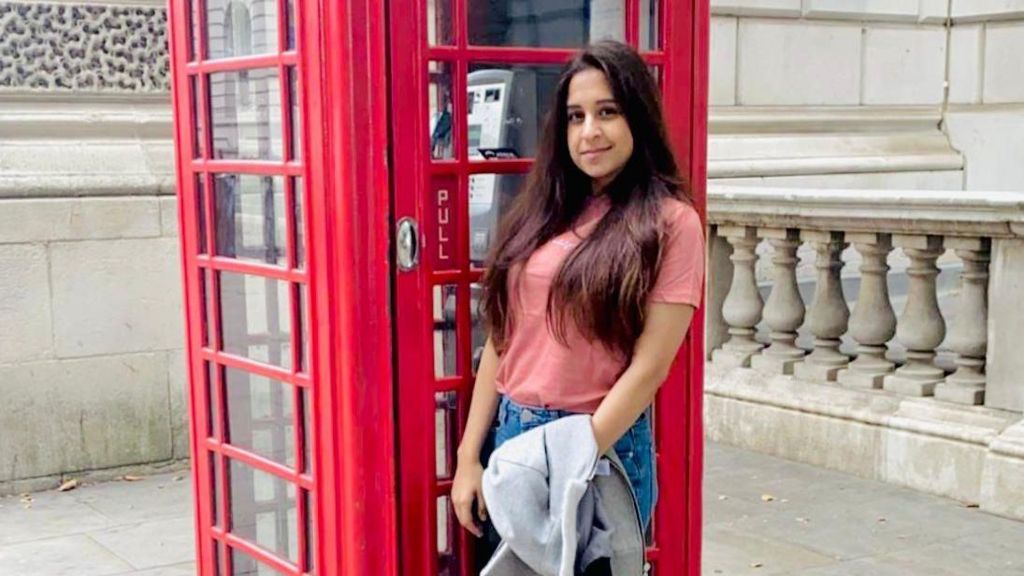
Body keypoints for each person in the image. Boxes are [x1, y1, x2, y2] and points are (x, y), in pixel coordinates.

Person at [452, 39, 705, 566]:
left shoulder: (670, 223)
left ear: (638, 116)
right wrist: (468, 457)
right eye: (575, 116)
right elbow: (503, 340)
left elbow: (650, 367)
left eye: (607, 112)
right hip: (514, 440)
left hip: (598, 444)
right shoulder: (543, 214)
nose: (589, 132)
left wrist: (574, 455)